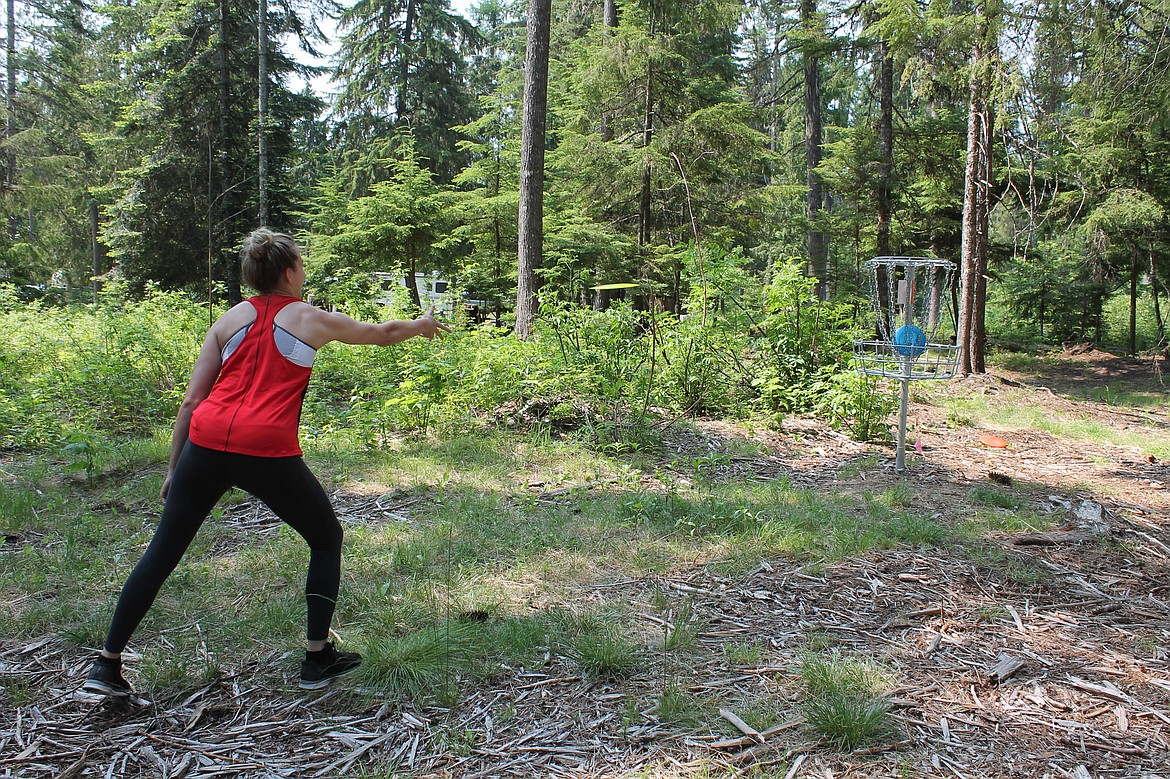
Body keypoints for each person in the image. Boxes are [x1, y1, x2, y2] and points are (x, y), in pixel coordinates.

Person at [84, 228, 450, 696]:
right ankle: (317, 659)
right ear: (289, 271)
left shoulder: (228, 320)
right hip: (266, 449)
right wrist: (420, 325)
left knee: (162, 551)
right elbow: (380, 335)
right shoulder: (311, 318)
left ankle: (106, 665)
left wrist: (175, 469)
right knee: (325, 536)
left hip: (206, 443)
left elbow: (192, 401)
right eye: (300, 264)